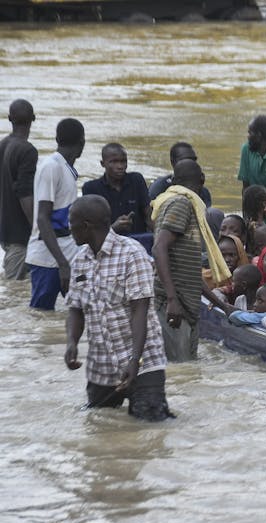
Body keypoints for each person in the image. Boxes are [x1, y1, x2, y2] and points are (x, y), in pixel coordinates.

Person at [64, 195, 172, 421]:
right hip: (101, 365)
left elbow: (139, 311)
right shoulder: (79, 261)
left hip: (143, 363)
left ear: (85, 226)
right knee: (99, 426)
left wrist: (135, 360)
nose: (68, 227)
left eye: (71, 222)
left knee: (151, 430)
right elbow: (75, 308)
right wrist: (71, 342)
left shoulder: (132, 254)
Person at [151, 159, 230, 361]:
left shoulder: (177, 203)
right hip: (174, 305)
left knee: (188, 370)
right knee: (179, 370)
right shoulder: (182, 204)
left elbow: (189, 272)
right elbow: (159, 248)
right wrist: (171, 300)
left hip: (185, 304)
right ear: (202, 179)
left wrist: (224, 307)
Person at [25, 117, 85, 310]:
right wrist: (62, 264)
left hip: (68, 254)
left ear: (57, 138)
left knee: (82, 308)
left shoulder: (66, 168)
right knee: (41, 314)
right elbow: (43, 218)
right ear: (82, 143)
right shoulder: (51, 167)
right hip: (47, 260)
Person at [0, 99, 37, 279]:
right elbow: (24, 193)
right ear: (34, 118)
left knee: (18, 287)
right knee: (15, 285)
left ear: (9, 119)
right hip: (20, 234)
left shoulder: (4, 144)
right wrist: (37, 227)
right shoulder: (28, 151)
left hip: (6, 228)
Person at [82, 143, 151, 236]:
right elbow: (91, 228)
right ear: (103, 164)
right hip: (107, 242)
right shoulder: (91, 188)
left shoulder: (136, 180)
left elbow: (148, 214)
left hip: (138, 241)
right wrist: (114, 228)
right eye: (114, 162)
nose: (120, 166)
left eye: (123, 161)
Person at [148, 142, 212, 206]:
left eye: (193, 160)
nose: (190, 162)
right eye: (185, 159)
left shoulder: (203, 191)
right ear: (173, 162)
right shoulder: (159, 187)